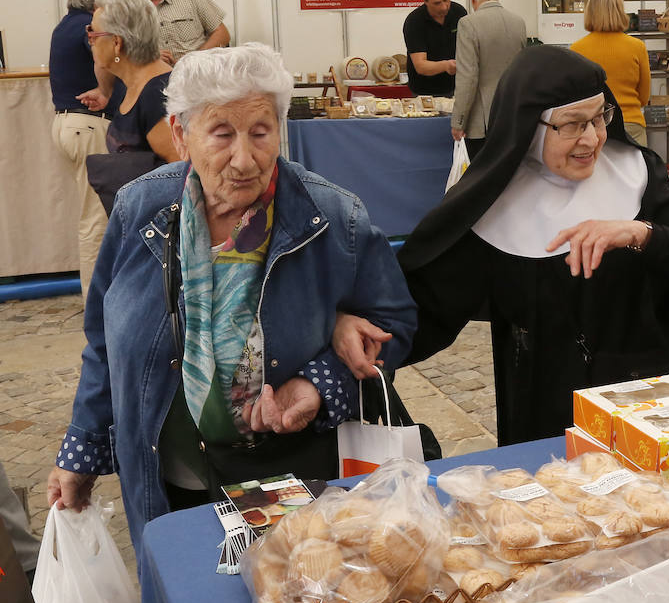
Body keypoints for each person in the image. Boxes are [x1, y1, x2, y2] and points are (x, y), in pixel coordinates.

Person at [46, 43, 417, 559]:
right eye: (221, 134)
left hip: (279, 469)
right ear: (180, 134)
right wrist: (82, 449)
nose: (245, 159)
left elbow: (393, 320)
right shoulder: (140, 209)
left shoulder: (332, 217)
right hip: (163, 467)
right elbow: (104, 342)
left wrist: (318, 384)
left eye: (261, 132)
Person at [400, 46, 669, 445]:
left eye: (599, 118)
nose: (592, 139)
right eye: (573, 124)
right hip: (547, 411)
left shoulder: (636, 176)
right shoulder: (489, 209)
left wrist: (642, 234)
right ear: (528, 128)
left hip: (649, 402)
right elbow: (426, 304)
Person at [48, 0, 115, 293]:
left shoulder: (64, 26)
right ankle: (96, 303)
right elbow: (111, 63)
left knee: (93, 216)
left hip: (68, 125)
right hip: (88, 125)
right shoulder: (87, 29)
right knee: (96, 219)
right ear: (96, 4)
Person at [92, 0, 178, 164]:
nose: (91, 40)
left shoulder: (157, 95)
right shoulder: (133, 85)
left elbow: (181, 173)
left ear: (117, 43)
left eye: (93, 33)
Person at [451, 0, 527, 161]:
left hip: (481, 122)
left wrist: (458, 121)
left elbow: (468, 77)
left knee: (481, 179)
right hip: (512, 116)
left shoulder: (468, 23)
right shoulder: (518, 22)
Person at [570, 0, 651, 144]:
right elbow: (644, 96)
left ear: (590, 12)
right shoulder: (637, 46)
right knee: (635, 169)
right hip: (631, 123)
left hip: (592, 126)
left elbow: (575, 96)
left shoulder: (576, 49)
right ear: (620, 12)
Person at [403, 0, 466, 97]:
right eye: (437, 3)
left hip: (457, 88)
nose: (444, 7)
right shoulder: (414, 21)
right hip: (424, 91)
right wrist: (446, 66)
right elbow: (420, 66)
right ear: (425, 0)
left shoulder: (459, 12)